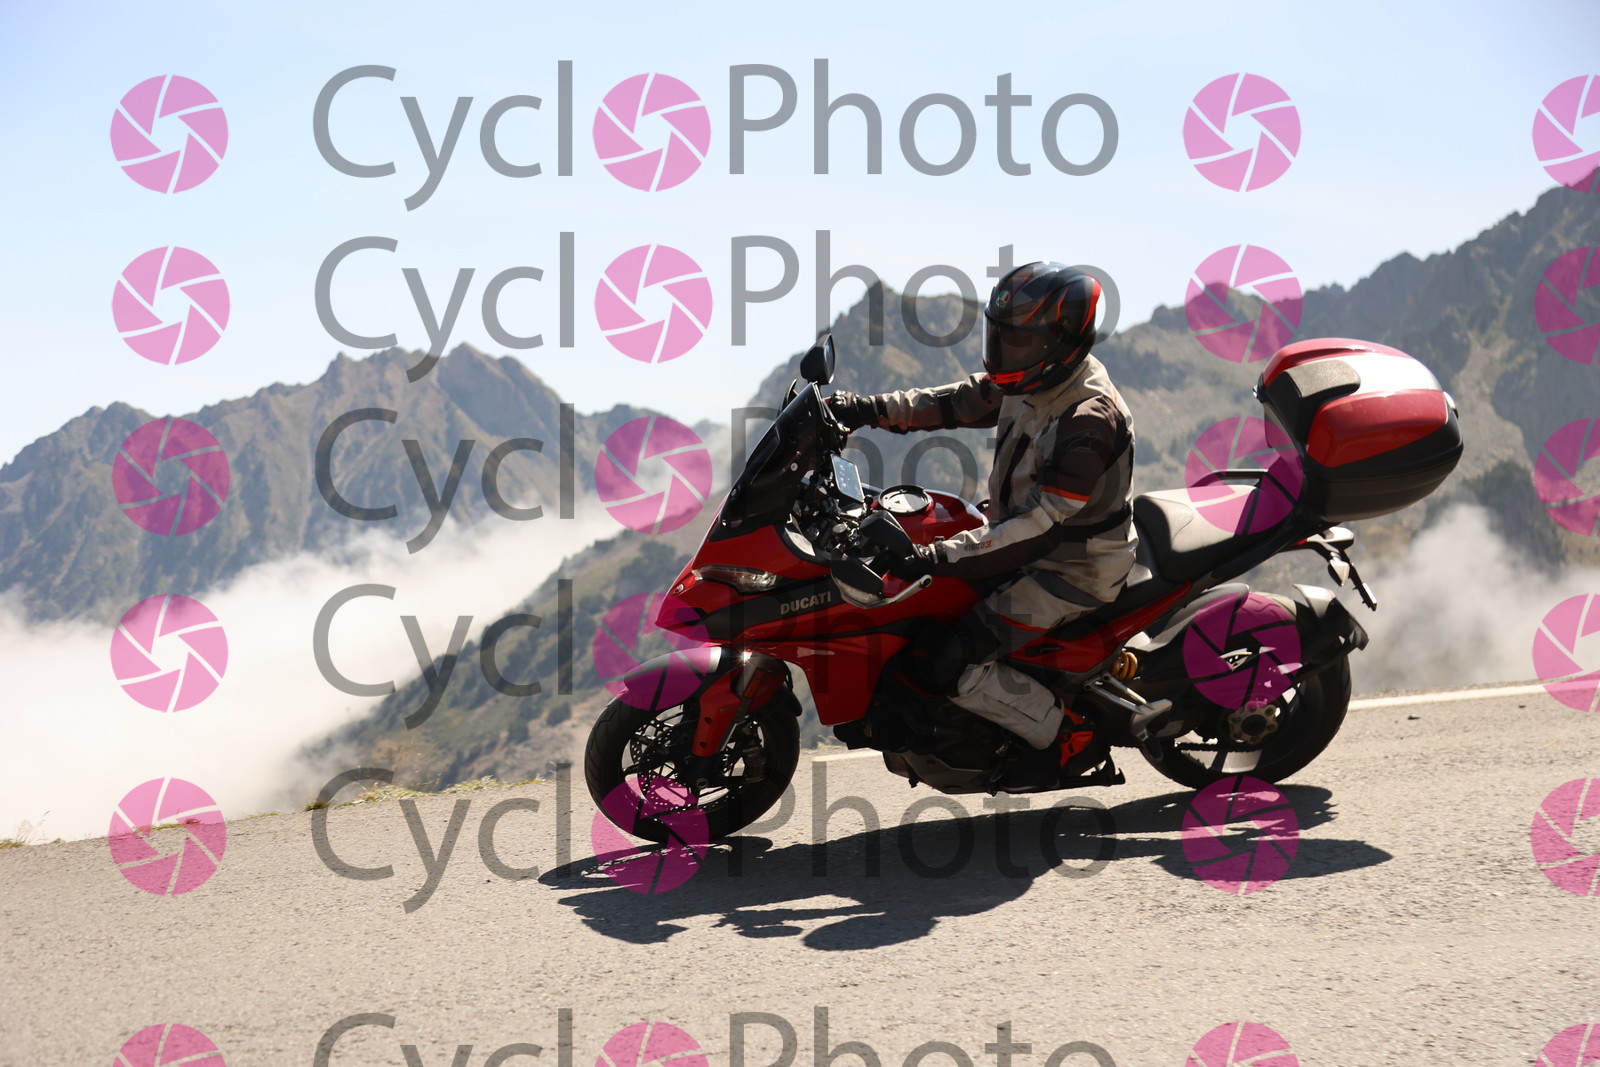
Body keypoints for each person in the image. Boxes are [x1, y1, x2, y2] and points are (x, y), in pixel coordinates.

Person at [828, 262, 1138, 767]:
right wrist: (865, 409)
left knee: (950, 657)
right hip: (1018, 539)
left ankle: (1066, 736)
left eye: (1020, 342)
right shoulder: (1032, 379)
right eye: (1001, 337)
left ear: (1061, 342)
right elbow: (957, 402)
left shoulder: (1087, 420)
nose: (1005, 353)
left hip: (1070, 571)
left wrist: (933, 556)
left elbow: (1040, 530)